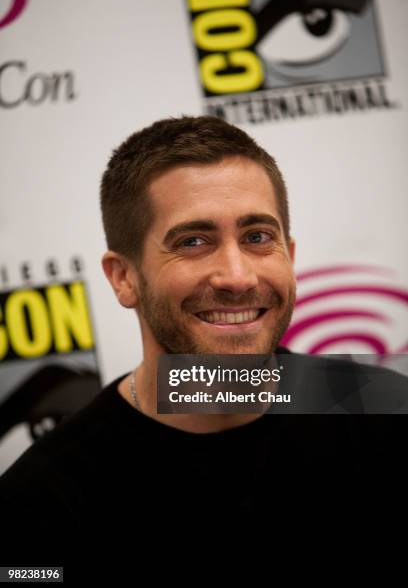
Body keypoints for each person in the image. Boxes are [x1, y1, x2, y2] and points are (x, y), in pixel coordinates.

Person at [0, 116, 406, 580]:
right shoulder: (39, 505)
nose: (237, 276)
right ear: (124, 277)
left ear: (289, 257)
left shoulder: (386, 414)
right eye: (193, 242)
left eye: (257, 237)